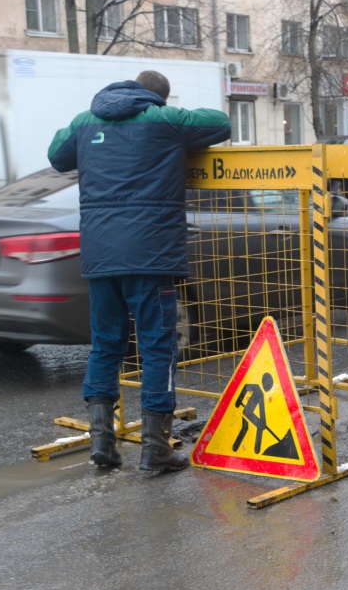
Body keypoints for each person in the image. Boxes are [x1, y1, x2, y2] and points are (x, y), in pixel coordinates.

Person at [48, 71, 231, 471]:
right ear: (159, 97)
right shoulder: (165, 120)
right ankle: (155, 448)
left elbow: (57, 154)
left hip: (100, 254)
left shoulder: (85, 121)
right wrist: (168, 115)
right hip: (150, 254)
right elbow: (221, 122)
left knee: (106, 345)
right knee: (156, 349)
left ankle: (102, 444)